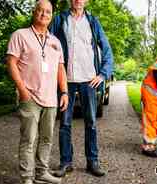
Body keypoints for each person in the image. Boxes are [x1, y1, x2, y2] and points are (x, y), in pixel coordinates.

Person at [6, 0, 68, 183]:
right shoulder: (20, 35)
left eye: (48, 12)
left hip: (51, 99)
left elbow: (60, 69)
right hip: (30, 96)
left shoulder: (55, 41)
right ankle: (27, 177)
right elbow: (11, 62)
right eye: (40, 10)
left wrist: (64, 92)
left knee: (47, 139)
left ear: (51, 16)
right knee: (29, 139)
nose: (44, 14)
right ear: (34, 13)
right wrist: (22, 90)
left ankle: (42, 173)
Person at [49, 0, 114, 177]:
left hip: (88, 79)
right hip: (65, 79)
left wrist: (102, 74)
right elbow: (47, 42)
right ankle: (65, 162)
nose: (78, 0)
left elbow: (106, 49)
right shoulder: (60, 19)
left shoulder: (93, 22)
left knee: (91, 122)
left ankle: (92, 161)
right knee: (64, 123)